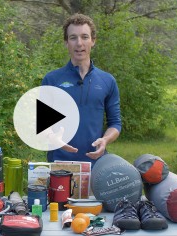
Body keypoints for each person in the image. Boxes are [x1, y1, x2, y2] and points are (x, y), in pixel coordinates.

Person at [41, 13, 122, 167]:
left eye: (85, 37)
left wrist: (105, 140)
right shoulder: (51, 80)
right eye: (73, 37)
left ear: (93, 41)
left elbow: (115, 123)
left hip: (96, 164)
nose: (79, 43)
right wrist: (51, 137)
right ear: (66, 42)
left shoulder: (107, 81)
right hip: (59, 164)